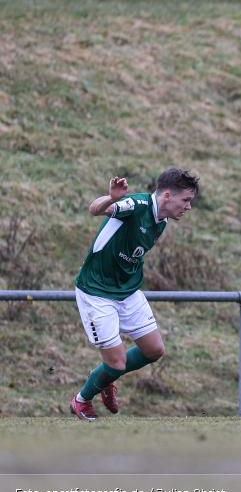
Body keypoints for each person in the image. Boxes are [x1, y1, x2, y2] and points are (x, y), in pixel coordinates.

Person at [70, 168, 200, 421]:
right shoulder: (136, 205)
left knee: (154, 350)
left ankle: (106, 376)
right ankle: (81, 400)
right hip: (96, 292)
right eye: (185, 200)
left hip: (128, 291)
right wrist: (111, 198)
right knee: (116, 363)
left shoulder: (161, 220)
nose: (189, 207)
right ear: (166, 195)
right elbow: (95, 209)